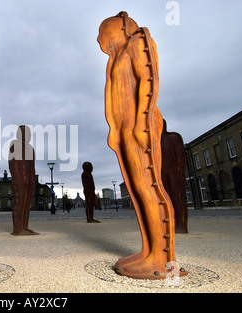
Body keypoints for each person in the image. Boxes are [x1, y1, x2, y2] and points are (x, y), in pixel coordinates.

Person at [98, 12, 186, 279]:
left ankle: (163, 260)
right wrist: (115, 131)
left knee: (150, 187)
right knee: (138, 190)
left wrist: (142, 120)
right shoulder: (117, 57)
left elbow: (148, 82)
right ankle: (149, 250)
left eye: (104, 30)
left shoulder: (139, 41)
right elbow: (115, 97)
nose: (99, 38)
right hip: (126, 130)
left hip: (141, 127)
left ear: (121, 25)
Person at [9, 125, 39, 235]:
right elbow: (12, 163)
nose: (30, 135)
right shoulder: (14, 145)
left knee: (26, 204)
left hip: (29, 181)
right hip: (19, 180)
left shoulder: (30, 148)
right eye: (28, 133)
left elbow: (32, 167)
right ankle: (17, 228)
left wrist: (32, 180)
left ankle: (25, 226)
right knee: (19, 203)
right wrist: (16, 178)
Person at [161, 119, 188, 233]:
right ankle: (167, 223)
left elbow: (180, 156)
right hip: (161, 173)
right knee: (163, 200)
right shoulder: (153, 142)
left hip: (173, 172)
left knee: (177, 198)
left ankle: (181, 225)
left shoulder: (173, 137)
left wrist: (180, 172)